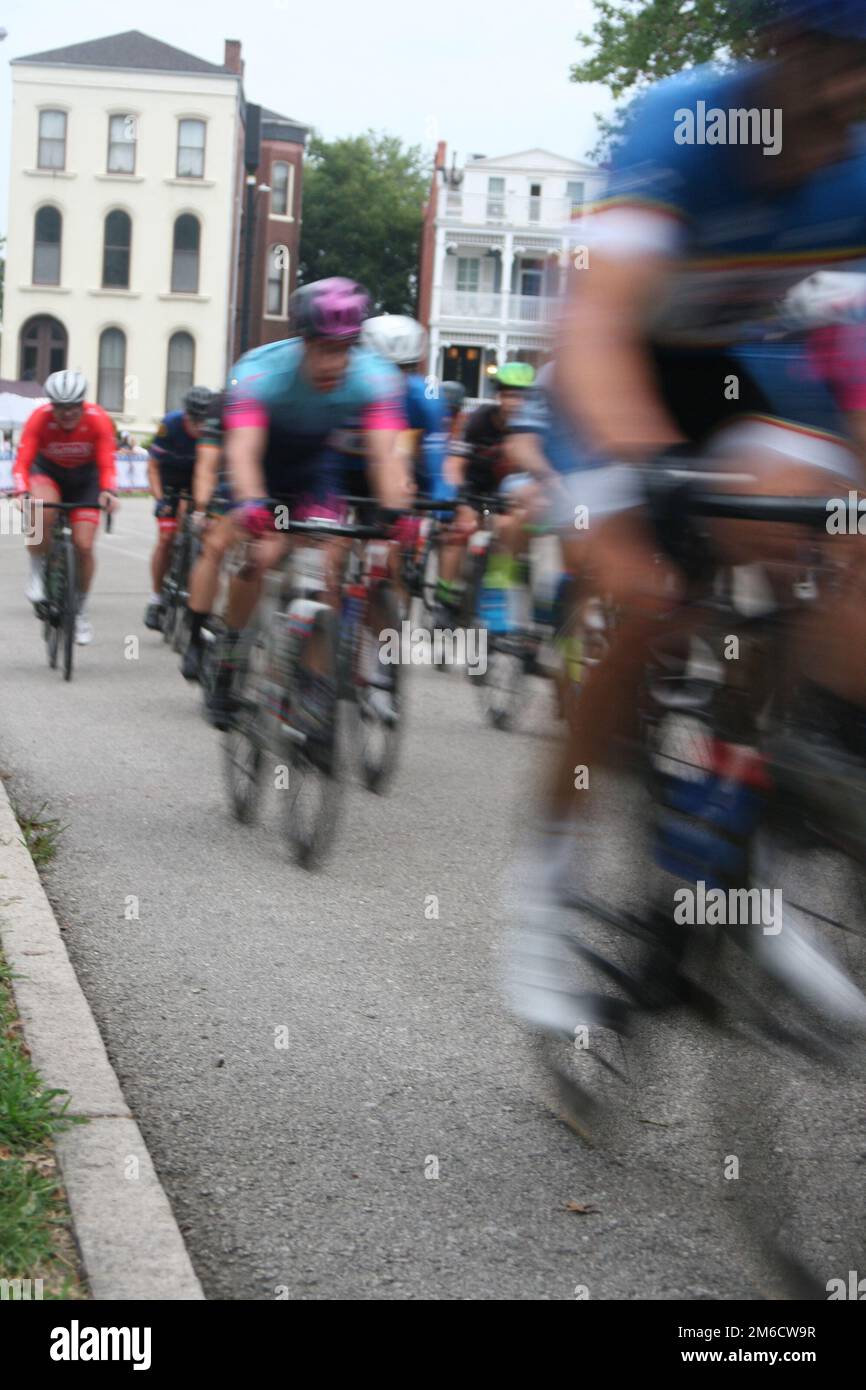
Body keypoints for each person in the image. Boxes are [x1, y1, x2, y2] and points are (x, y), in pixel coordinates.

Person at [505, 0, 866, 1037]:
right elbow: (597, 324)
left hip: (724, 378)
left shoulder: (853, 161)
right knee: (642, 596)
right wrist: (641, 476)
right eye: (846, 65)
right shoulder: (687, 126)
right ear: (784, 50)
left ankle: (753, 847)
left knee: (830, 534)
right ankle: (545, 882)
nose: (855, 97)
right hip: (606, 375)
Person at [180, 278, 410, 728]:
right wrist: (252, 504)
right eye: (323, 349)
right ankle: (228, 659)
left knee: (326, 568)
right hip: (263, 463)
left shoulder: (375, 376)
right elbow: (243, 452)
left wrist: (397, 512)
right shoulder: (259, 370)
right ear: (302, 342)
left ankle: (313, 688)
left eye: (344, 349)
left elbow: (386, 455)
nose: (333, 363)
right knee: (260, 557)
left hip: (315, 468)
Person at [12, 369, 117, 645]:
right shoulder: (39, 418)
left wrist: (108, 491)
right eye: (60, 407)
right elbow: (22, 461)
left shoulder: (98, 420)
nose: (67, 413)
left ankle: (80, 609)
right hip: (48, 472)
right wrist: (21, 492)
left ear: (83, 403)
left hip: (86, 479)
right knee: (39, 510)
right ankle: (36, 570)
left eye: (73, 407)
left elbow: (107, 462)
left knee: (84, 546)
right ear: (51, 404)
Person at [436, 362, 536, 623]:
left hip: (506, 497)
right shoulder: (479, 420)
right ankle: (445, 601)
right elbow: (455, 464)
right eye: (509, 395)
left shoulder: (532, 428)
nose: (515, 402)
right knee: (458, 534)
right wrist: (461, 501)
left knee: (511, 529)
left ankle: (498, 590)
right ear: (499, 396)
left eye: (521, 396)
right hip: (473, 489)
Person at [143, 386, 214, 630]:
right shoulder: (170, 425)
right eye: (195, 421)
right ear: (187, 416)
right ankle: (155, 598)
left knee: (205, 536)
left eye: (204, 421)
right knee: (166, 538)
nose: (199, 427)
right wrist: (160, 499)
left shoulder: (214, 429)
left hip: (197, 481)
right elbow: (152, 467)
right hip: (169, 481)